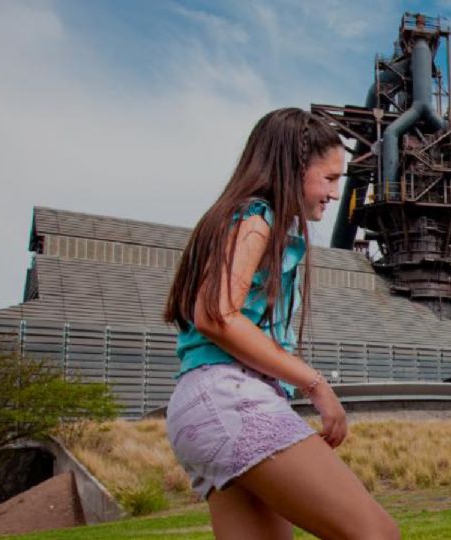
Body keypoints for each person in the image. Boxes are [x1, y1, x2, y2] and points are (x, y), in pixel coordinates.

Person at [163, 108, 399, 540]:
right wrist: (316, 384)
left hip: (200, 407)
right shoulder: (256, 217)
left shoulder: (243, 219)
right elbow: (216, 314)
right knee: (376, 534)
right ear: (293, 168)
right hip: (229, 396)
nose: (334, 193)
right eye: (328, 179)